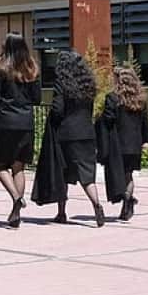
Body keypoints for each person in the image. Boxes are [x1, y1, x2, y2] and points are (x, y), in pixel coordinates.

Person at [0, 33, 42, 228]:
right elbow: (37, 99)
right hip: (25, 122)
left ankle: (16, 198)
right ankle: (16, 212)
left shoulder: (1, 67)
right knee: (18, 166)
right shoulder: (32, 68)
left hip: (5, 121)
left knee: (0, 164)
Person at [49, 51, 106, 227]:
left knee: (63, 172)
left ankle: (61, 212)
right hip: (87, 132)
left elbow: (58, 109)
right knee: (87, 174)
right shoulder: (88, 85)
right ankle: (96, 204)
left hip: (67, 133)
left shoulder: (62, 84)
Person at [101, 66, 148, 221]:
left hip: (118, 144)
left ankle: (125, 199)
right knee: (128, 175)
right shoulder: (140, 100)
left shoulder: (113, 98)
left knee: (117, 173)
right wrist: (146, 140)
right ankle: (127, 202)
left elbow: (108, 119)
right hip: (134, 144)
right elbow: (144, 122)